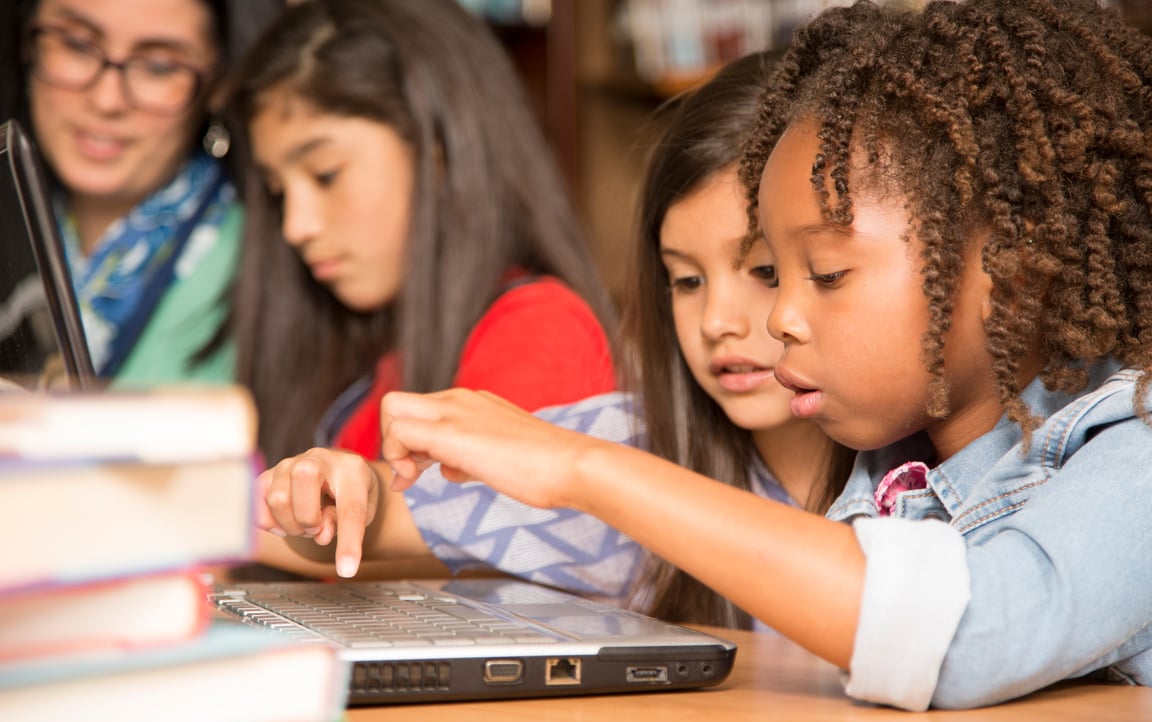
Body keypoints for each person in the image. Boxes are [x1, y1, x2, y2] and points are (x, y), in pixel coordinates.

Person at [274, 0, 1152, 712]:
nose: (779, 321)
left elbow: (963, 635)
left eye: (823, 274)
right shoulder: (892, 465)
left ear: (1015, 264)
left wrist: (583, 467)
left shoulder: (1134, 449)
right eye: (690, 279)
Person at [253, 50, 856, 629]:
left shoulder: (929, 482)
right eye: (686, 280)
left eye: (765, 272)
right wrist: (332, 491)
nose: (716, 320)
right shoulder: (628, 441)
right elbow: (375, 521)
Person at [226, 0, 617, 465]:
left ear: (439, 151)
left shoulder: (538, 330)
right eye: (277, 193)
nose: (296, 227)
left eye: (326, 174)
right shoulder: (370, 343)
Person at [0, 0, 283, 385]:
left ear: (220, 82)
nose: (107, 100)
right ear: (26, 41)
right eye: (77, 44)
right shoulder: (14, 217)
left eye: (159, 66)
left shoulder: (276, 261)